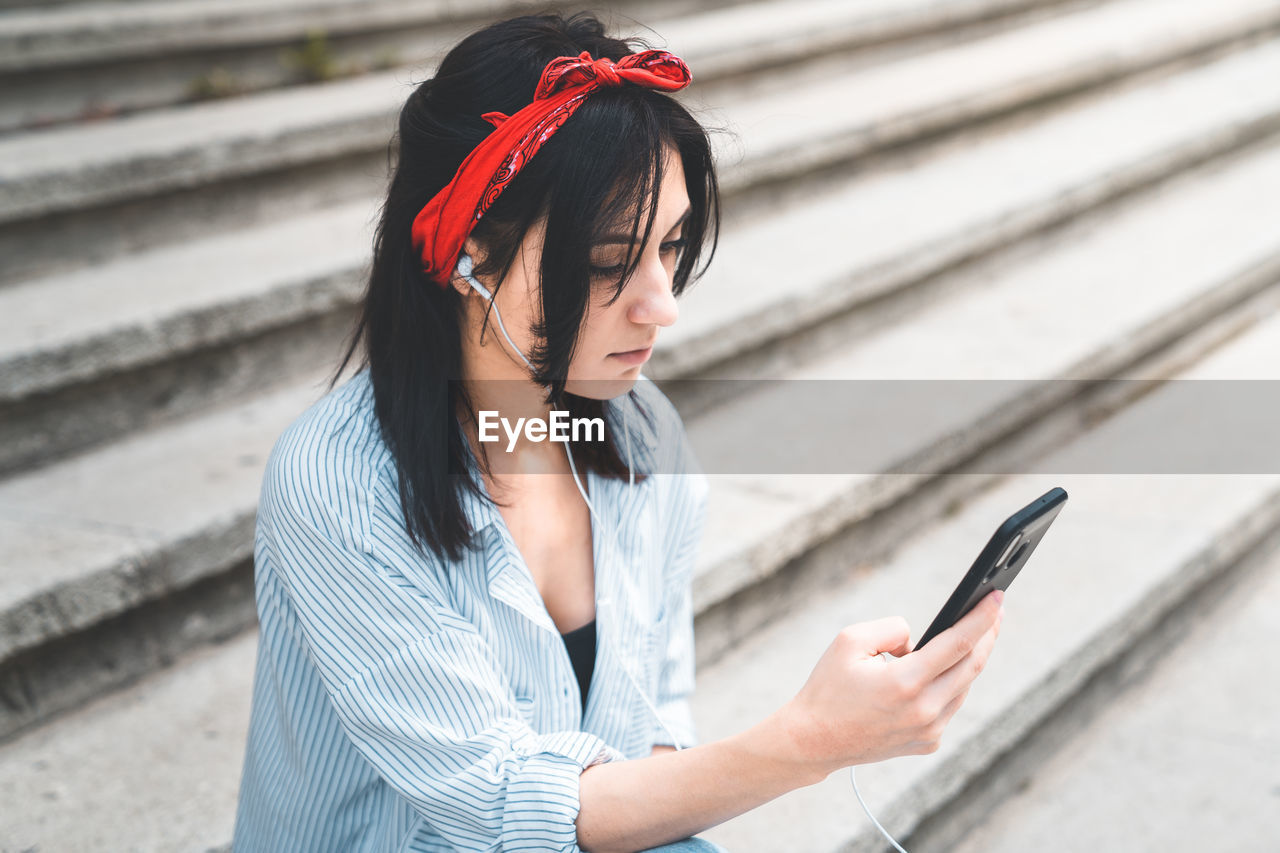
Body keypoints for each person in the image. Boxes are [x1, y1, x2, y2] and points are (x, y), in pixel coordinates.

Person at [231, 11, 1004, 853]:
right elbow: (503, 809)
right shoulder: (338, 484)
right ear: (466, 255)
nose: (662, 305)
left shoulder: (641, 434)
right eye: (607, 263)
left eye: (670, 246)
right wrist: (811, 738)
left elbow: (650, 735)